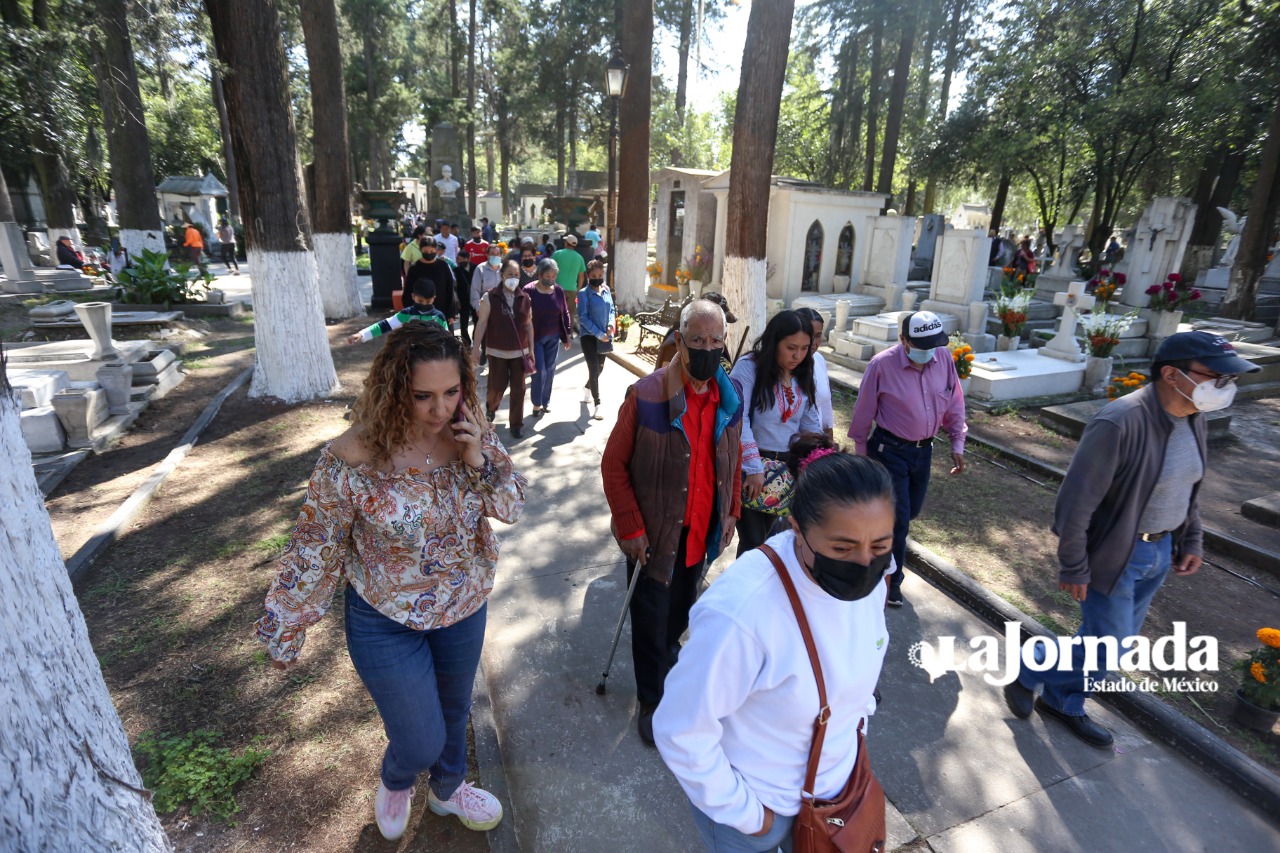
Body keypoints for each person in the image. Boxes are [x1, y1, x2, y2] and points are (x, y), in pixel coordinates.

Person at [255, 322, 526, 842]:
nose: (440, 410)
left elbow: (511, 506)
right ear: (393, 389)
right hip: (385, 617)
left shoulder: (472, 432)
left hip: (463, 604)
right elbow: (316, 545)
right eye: (423, 396)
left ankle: (447, 791)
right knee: (420, 737)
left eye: (451, 392)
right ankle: (398, 777)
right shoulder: (352, 458)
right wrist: (288, 622)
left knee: (454, 708)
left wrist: (476, 460)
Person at [1004, 332, 1258, 748]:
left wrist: (1191, 539)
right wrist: (1073, 565)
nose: (1225, 387)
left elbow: (1188, 488)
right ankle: (1031, 668)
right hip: (1115, 553)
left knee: (1099, 640)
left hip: (1159, 551)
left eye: (1229, 379)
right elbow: (1076, 503)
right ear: (1173, 374)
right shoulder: (1120, 421)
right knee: (1112, 648)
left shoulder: (1194, 416)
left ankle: (1062, 702)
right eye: (1217, 376)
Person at [653, 441, 894, 850]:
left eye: (881, 546)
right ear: (797, 527)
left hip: (840, 793)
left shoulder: (873, 577)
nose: (865, 564)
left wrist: (856, 728)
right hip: (758, 811)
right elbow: (680, 729)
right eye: (842, 548)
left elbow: (862, 655)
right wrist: (749, 816)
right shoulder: (743, 613)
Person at [601, 298, 744, 746]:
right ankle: (650, 699)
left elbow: (734, 462)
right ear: (679, 342)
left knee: (682, 610)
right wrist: (630, 528)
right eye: (697, 339)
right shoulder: (646, 396)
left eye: (716, 341)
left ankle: (667, 658)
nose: (707, 348)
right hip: (654, 534)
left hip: (700, 530)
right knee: (649, 617)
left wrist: (731, 514)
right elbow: (613, 466)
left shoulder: (731, 400)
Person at [848, 311, 966, 607]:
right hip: (889, 451)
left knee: (908, 513)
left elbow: (954, 403)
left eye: (933, 345)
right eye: (921, 346)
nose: (929, 352)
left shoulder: (944, 360)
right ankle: (892, 582)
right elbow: (863, 415)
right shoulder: (882, 366)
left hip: (923, 452)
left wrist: (957, 441)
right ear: (904, 340)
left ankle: (869, 551)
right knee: (899, 522)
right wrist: (863, 461)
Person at [729, 310, 822, 556]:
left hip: (786, 472)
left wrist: (814, 465)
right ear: (774, 341)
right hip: (750, 470)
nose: (798, 355)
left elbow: (811, 426)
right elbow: (738, 418)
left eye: (804, 348)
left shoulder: (803, 372)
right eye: (791, 347)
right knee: (754, 543)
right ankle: (743, 590)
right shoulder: (749, 367)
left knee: (771, 543)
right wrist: (754, 467)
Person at [471, 260, 533, 439]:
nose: (513, 278)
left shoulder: (525, 298)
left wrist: (532, 350)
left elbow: (529, 325)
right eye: (510, 274)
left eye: (516, 275)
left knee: (519, 389)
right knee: (496, 387)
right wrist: (476, 349)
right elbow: (481, 324)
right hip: (496, 351)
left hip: (519, 353)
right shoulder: (489, 297)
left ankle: (516, 424)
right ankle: (491, 407)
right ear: (502, 275)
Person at [524, 258, 572, 416]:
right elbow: (521, 315)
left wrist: (567, 335)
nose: (551, 279)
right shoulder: (529, 290)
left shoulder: (558, 290)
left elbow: (564, 312)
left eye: (554, 276)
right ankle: (536, 403)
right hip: (536, 338)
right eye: (547, 276)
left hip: (554, 336)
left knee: (550, 369)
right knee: (539, 370)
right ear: (539, 274)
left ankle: (546, 401)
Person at [347, 279, 448, 343]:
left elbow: (447, 338)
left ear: (434, 298)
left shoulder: (439, 317)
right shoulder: (406, 314)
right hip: (410, 356)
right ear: (413, 297)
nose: (424, 304)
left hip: (433, 357)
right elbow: (385, 325)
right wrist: (362, 334)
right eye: (420, 301)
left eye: (428, 301)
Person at [655, 292, 738, 370]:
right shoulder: (678, 342)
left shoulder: (716, 341)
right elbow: (666, 376)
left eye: (724, 322)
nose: (724, 326)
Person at [577, 259, 615, 420]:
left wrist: (611, 326)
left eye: (600, 275)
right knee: (593, 368)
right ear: (588, 276)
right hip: (589, 337)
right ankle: (597, 404)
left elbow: (612, 309)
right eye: (594, 275)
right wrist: (599, 333)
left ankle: (587, 387)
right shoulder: (583, 294)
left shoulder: (606, 290)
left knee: (599, 368)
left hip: (605, 336)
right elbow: (583, 318)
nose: (597, 278)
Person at [794, 307, 835, 439]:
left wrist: (828, 442)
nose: (813, 342)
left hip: (815, 445)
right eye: (808, 334)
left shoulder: (819, 360)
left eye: (818, 336)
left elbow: (826, 408)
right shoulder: (786, 365)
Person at [405, 237, 458, 326]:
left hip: (442, 314)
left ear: (436, 250)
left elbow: (450, 290)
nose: (429, 253)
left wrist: (451, 314)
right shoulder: (414, 268)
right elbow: (407, 293)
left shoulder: (443, 266)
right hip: (420, 315)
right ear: (420, 250)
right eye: (426, 251)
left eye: (432, 251)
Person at [551, 234, 586, 332]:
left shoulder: (557, 254)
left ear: (566, 243)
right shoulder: (580, 258)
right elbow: (581, 276)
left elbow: (549, 268)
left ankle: (556, 331)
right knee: (570, 312)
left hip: (557, 288)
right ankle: (568, 333)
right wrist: (578, 289)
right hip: (572, 289)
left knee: (556, 311)